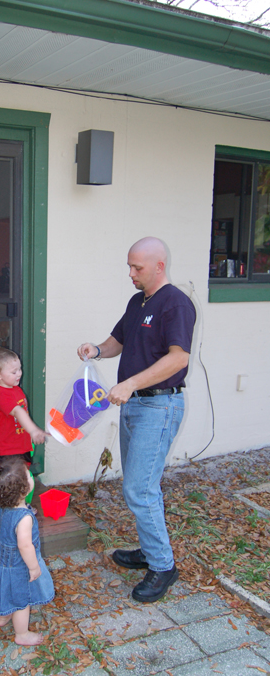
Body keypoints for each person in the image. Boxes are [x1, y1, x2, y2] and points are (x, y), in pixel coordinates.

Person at [77, 236, 196, 603]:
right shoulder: (137, 301)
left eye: (137, 267)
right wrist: (97, 349)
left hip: (158, 407)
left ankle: (163, 566)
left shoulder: (176, 303)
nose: (130, 273)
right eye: (129, 266)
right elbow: (120, 339)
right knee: (140, 485)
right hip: (136, 407)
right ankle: (149, 550)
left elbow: (178, 359)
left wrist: (129, 383)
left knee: (140, 490)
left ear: (159, 265)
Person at [0, 455, 54, 645]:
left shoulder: (0, 507)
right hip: (17, 566)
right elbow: (24, 546)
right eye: (29, 476)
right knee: (21, 601)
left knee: (2, 588)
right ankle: (22, 634)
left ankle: (3, 615)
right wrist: (34, 567)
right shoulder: (24, 518)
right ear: (25, 488)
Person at [0, 346, 48, 469]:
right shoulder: (1, 394)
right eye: (14, 372)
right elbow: (18, 411)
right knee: (10, 484)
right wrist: (33, 430)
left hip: (21, 446)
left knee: (22, 482)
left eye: (20, 369)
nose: (19, 373)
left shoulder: (16, 389)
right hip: (7, 451)